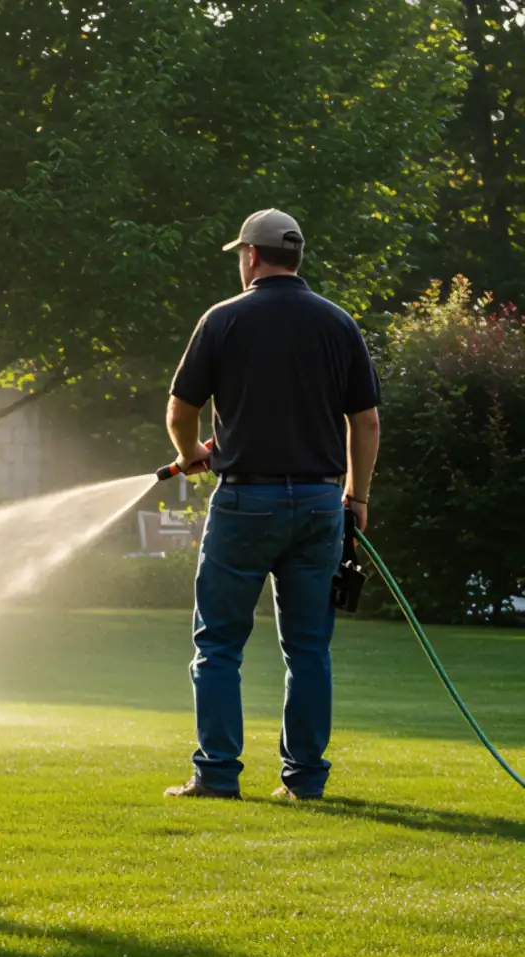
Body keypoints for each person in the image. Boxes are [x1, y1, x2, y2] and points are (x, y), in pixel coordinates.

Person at [163, 209, 381, 801]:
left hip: (245, 501)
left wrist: (190, 455)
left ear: (252, 256)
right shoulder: (338, 324)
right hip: (319, 503)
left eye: (240, 254)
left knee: (218, 646)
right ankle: (305, 782)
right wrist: (356, 498)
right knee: (309, 649)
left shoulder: (224, 320)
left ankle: (215, 776)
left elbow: (182, 412)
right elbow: (365, 420)